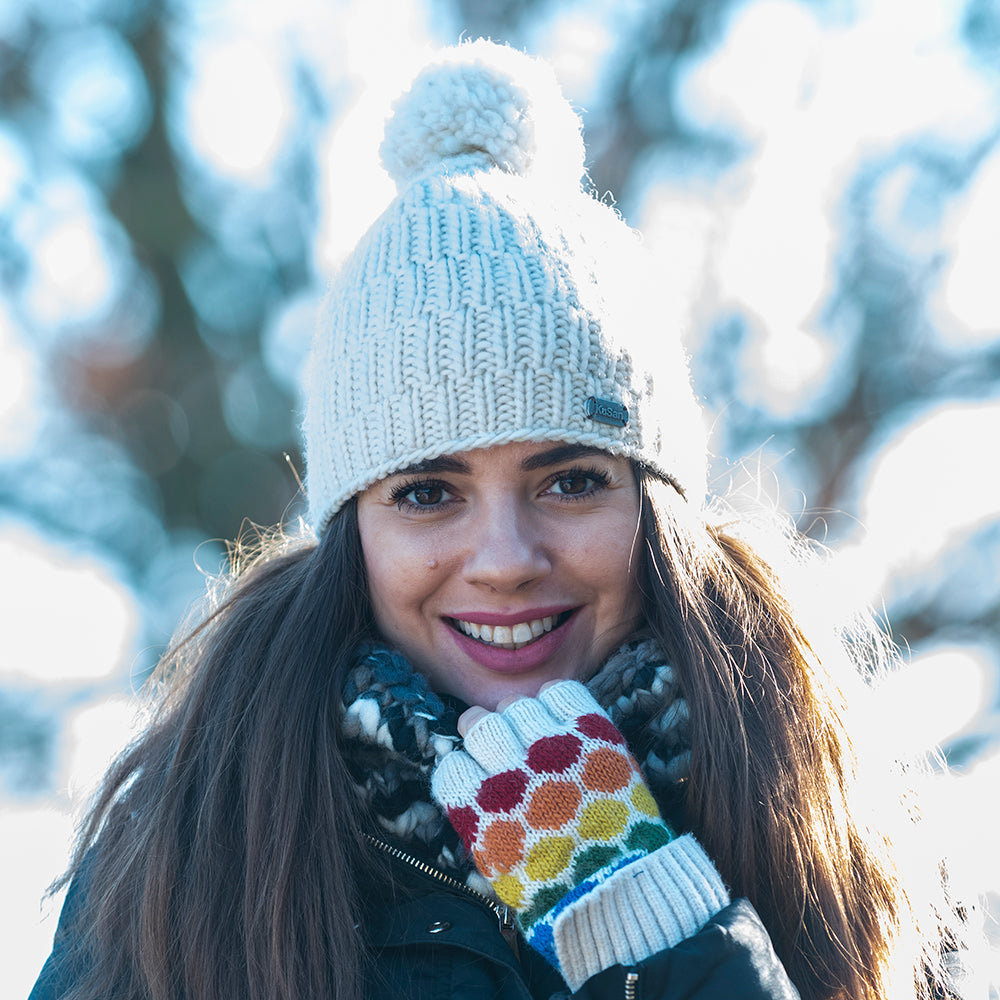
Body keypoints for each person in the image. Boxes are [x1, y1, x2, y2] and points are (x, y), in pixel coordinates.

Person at [29, 39, 970, 1000]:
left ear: (655, 508)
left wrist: (659, 939)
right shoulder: (185, 860)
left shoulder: (842, 834)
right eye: (427, 494)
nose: (506, 560)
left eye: (569, 482)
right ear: (353, 533)